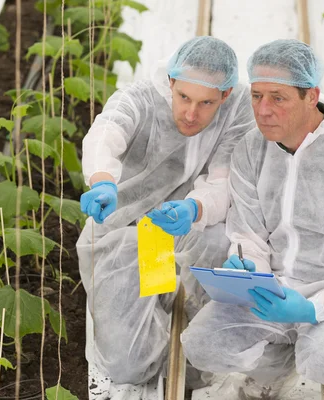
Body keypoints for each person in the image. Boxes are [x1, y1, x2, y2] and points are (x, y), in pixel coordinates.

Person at [181, 39, 324, 400]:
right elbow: (248, 233)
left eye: (278, 97)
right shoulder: (252, 150)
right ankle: (276, 362)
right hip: (275, 287)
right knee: (204, 343)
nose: (263, 110)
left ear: (311, 96)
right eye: (256, 96)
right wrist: (248, 268)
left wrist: (314, 308)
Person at [76, 36, 256, 386]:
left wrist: (195, 206)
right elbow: (106, 133)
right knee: (127, 366)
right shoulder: (139, 99)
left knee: (221, 237)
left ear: (226, 95)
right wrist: (102, 181)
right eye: (184, 97)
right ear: (171, 82)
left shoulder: (238, 111)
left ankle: (195, 323)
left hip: (186, 229)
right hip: (128, 233)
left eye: (206, 103)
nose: (191, 113)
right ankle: (158, 294)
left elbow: (224, 179)